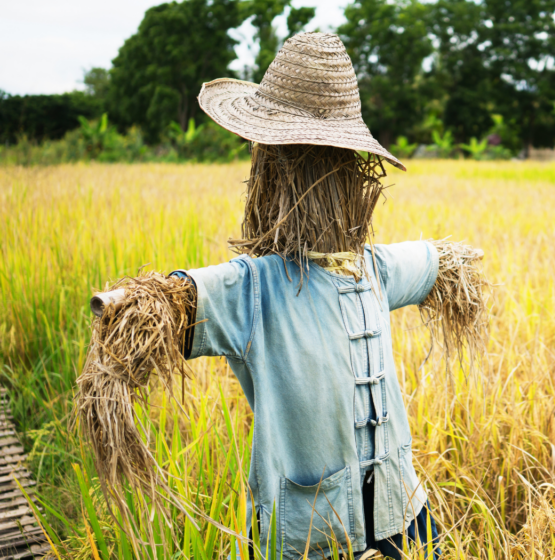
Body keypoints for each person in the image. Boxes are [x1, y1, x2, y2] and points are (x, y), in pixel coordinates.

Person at [82, 32, 486, 560]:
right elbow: (172, 299)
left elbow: (437, 263)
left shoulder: (375, 268)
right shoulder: (254, 287)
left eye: (329, 160)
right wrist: (136, 305)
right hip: (309, 534)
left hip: (400, 515)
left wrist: (459, 265)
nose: (320, 172)